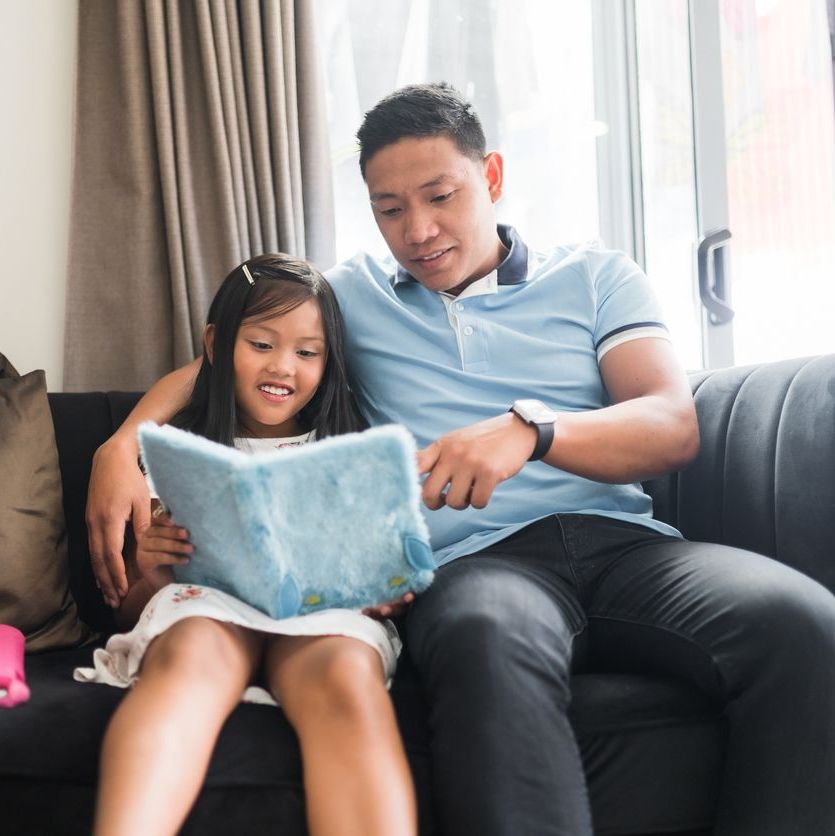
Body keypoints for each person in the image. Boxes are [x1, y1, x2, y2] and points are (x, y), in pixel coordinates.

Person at [86, 84, 835, 835]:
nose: (418, 230)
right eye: (389, 209)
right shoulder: (351, 298)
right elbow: (235, 355)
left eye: (440, 196)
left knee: (803, 624)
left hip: (629, 550)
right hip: (477, 564)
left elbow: (670, 425)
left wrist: (531, 431)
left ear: (492, 176)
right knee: (487, 639)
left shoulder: (596, 276)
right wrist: (120, 447)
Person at [75, 254, 417, 836]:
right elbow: (130, 607)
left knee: (346, 680)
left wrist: (386, 589)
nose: (283, 366)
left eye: (307, 353)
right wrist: (152, 570)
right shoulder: (177, 455)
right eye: (261, 344)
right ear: (216, 343)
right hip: (206, 614)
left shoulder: (349, 453)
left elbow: (391, 571)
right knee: (187, 661)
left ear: (329, 361)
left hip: (320, 619)